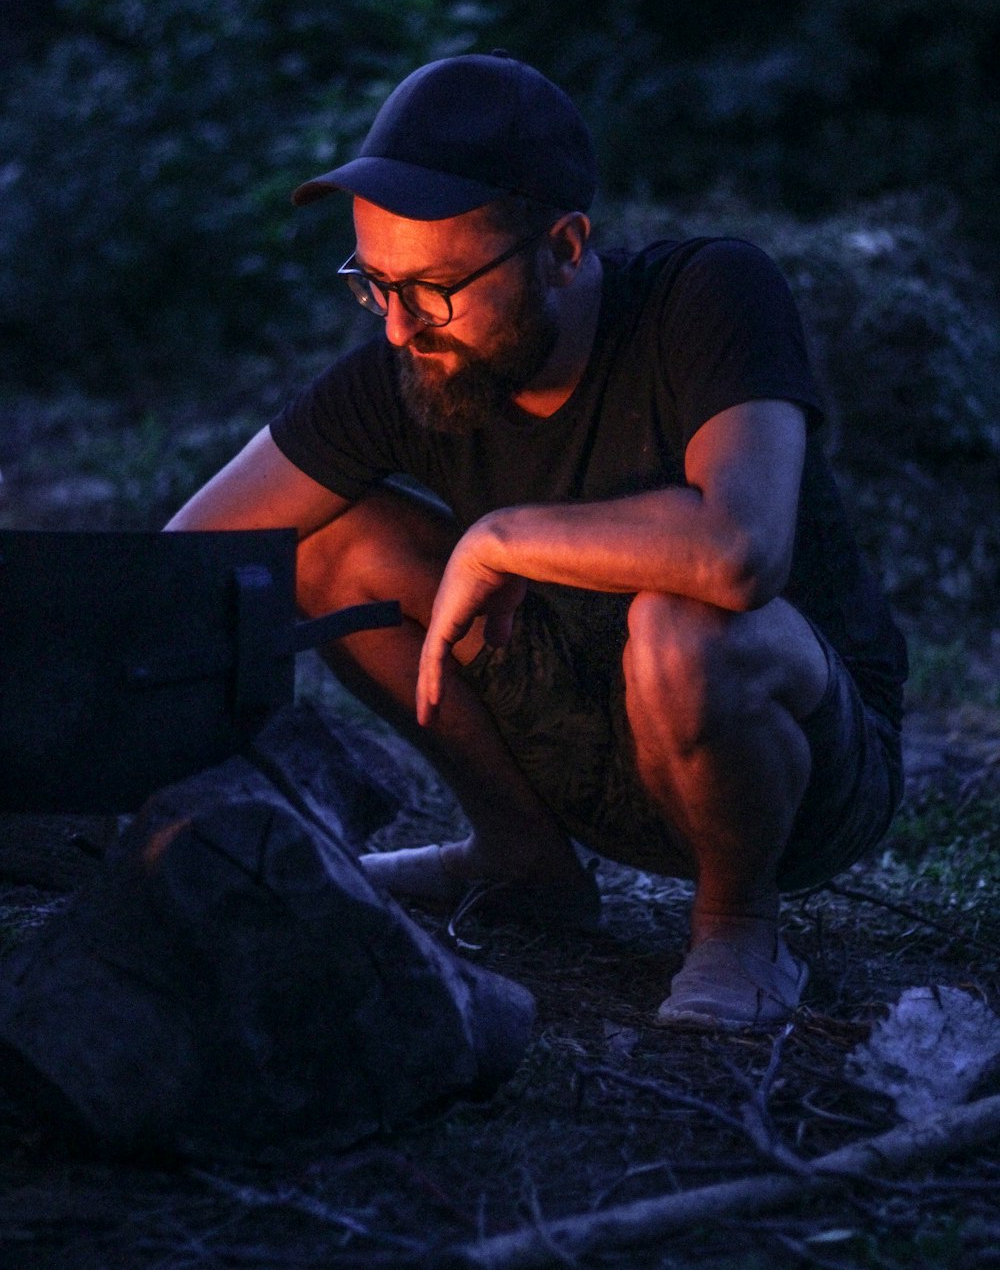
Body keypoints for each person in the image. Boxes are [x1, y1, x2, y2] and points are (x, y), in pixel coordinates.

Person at [166, 51, 907, 1029]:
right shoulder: (409, 365)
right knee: (331, 545)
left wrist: (503, 538)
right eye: (372, 284)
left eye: (435, 288)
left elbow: (742, 549)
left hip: (802, 770)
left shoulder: (709, 296)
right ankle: (522, 859)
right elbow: (179, 561)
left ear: (562, 247)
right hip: (589, 747)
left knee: (688, 618)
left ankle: (736, 929)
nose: (397, 330)